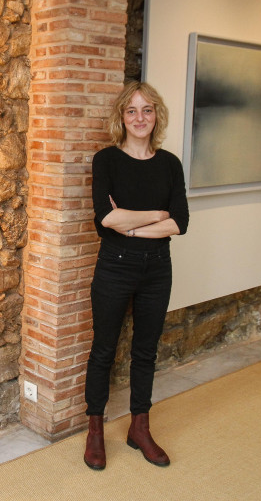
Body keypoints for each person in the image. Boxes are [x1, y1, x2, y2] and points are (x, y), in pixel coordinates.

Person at [83, 80, 189, 470]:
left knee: (146, 350)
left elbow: (181, 223)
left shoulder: (170, 164)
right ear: (121, 118)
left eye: (147, 110)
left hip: (157, 269)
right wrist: (155, 215)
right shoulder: (106, 161)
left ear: (156, 115)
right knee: (104, 350)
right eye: (132, 110)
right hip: (115, 266)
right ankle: (95, 429)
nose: (140, 117)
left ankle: (139, 428)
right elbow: (106, 217)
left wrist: (132, 224)